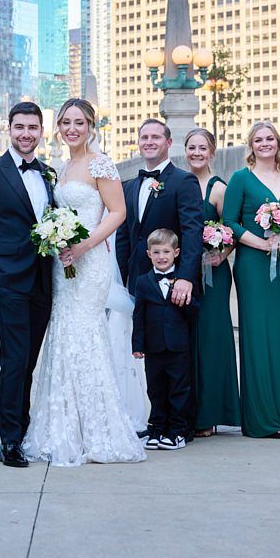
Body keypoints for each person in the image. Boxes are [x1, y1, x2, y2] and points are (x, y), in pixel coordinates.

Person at [22, 98, 145, 466]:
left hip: (89, 262)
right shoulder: (62, 166)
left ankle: (98, 430)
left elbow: (119, 212)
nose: (72, 129)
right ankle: (63, 427)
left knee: (84, 333)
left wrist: (85, 244)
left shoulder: (99, 163)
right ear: (58, 127)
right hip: (63, 264)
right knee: (62, 334)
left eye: (79, 122)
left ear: (91, 126)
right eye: (65, 122)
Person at [0, 102, 54, 468]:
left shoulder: (48, 173)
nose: (26, 134)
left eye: (33, 128)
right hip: (9, 281)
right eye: (20, 127)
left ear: (41, 132)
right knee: (14, 360)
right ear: (9, 129)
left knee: (29, 361)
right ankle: (10, 441)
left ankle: (25, 427)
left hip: (44, 281)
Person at [114, 118, 203, 435]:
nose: (149, 141)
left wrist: (186, 277)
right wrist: (123, 279)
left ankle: (182, 426)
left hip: (174, 284)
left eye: (155, 137)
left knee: (177, 361)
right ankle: (157, 422)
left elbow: (193, 232)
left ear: (168, 143)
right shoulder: (130, 185)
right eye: (144, 137)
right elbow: (126, 236)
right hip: (142, 283)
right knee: (151, 359)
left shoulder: (183, 181)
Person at [223, 121, 280, 438]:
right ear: (251, 145)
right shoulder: (241, 179)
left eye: (270, 138)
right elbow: (229, 221)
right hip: (254, 266)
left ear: (278, 143)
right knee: (258, 337)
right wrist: (260, 243)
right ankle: (262, 419)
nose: (265, 143)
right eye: (258, 139)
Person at [183, 128, 239, 436]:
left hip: (213, 275)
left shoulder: (218, 189)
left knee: (211, 340)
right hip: (186, 273)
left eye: (202, 148)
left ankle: (211, 414)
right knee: (188, 340)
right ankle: (190, 410)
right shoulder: (180, 182)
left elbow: (232, 229)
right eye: (191, 147)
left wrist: (222, 253)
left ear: (212, 152)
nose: (196, 153)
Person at [133, 229, 198, 451]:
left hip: (178, 347)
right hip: (153, 347)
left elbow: (196, 313)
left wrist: (184, 301)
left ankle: (177, 431)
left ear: (176, 253)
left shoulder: (184, 281)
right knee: (156, 389)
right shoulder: (142, 282)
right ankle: (157, 428)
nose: (162, 256)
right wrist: (138, 345)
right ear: (148, 254)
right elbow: (138, 316)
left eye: (166, 252)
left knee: (179, 389)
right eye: (157, 252)